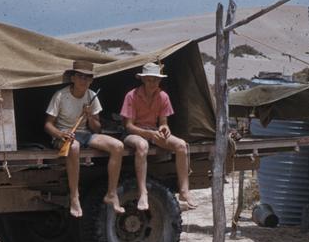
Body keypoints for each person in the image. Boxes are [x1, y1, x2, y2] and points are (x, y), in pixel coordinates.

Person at [44, 60, 126, 219]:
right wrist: (60, 135)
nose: (84, 80)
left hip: (85, 134)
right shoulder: (61, 95)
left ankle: (111, 193)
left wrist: (89, 115)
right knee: (74, 147)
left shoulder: (91, 96)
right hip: (64, 134)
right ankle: (75, 197)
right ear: (73, 78)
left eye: (88, 78)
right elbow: (48, 125)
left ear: (91, 80)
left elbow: (97, 128)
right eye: (80, 76)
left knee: (118, 146)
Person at [121, 62, 196, 211]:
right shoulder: (132, 95)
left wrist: (164, 128)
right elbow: (128, 126)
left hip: (153, 131)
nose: (152, 83)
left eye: (155, 80)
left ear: (159, 80)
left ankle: (184, 191)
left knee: (181, 145)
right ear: (143, 79)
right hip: (133, 133)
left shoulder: (163, 96)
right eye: (149, 79)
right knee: (142, 146)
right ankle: (143, 192)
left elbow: (163, 122)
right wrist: (148, 133)